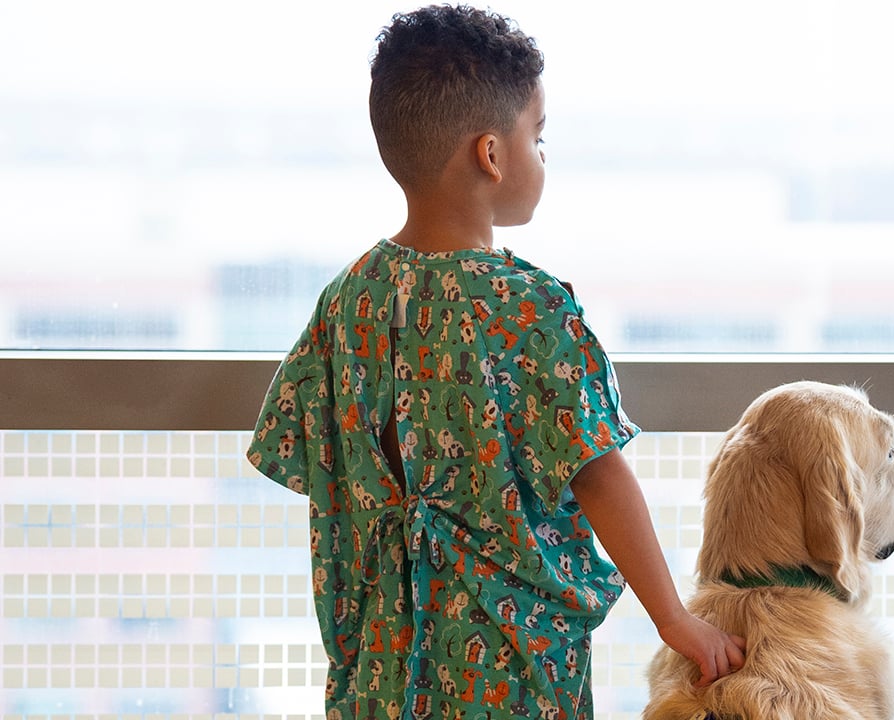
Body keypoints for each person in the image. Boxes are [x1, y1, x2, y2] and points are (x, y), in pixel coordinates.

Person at [245, 5, 746, 718]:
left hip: (378, 670)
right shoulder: (527, 309)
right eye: (539, 137)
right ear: (491, 153)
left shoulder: (347, 299)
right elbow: (599, 472)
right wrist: (675, 621)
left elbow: (314, 463)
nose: (543, 154)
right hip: (511, 671)